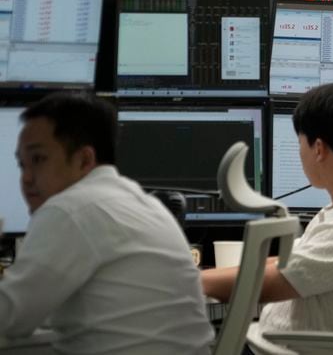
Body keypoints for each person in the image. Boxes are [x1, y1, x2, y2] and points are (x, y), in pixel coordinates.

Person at [0, 92, 213, 354]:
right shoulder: (143, 203)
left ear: (84, 159)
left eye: (38, 159)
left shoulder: (71, 209)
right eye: (21, 165)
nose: (26, 178)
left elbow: (8, 317)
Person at [202, 83, 333, 338]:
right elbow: (287, 263)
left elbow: (261, 285)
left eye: (300, 143)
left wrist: (192, 281)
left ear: (319, 149)